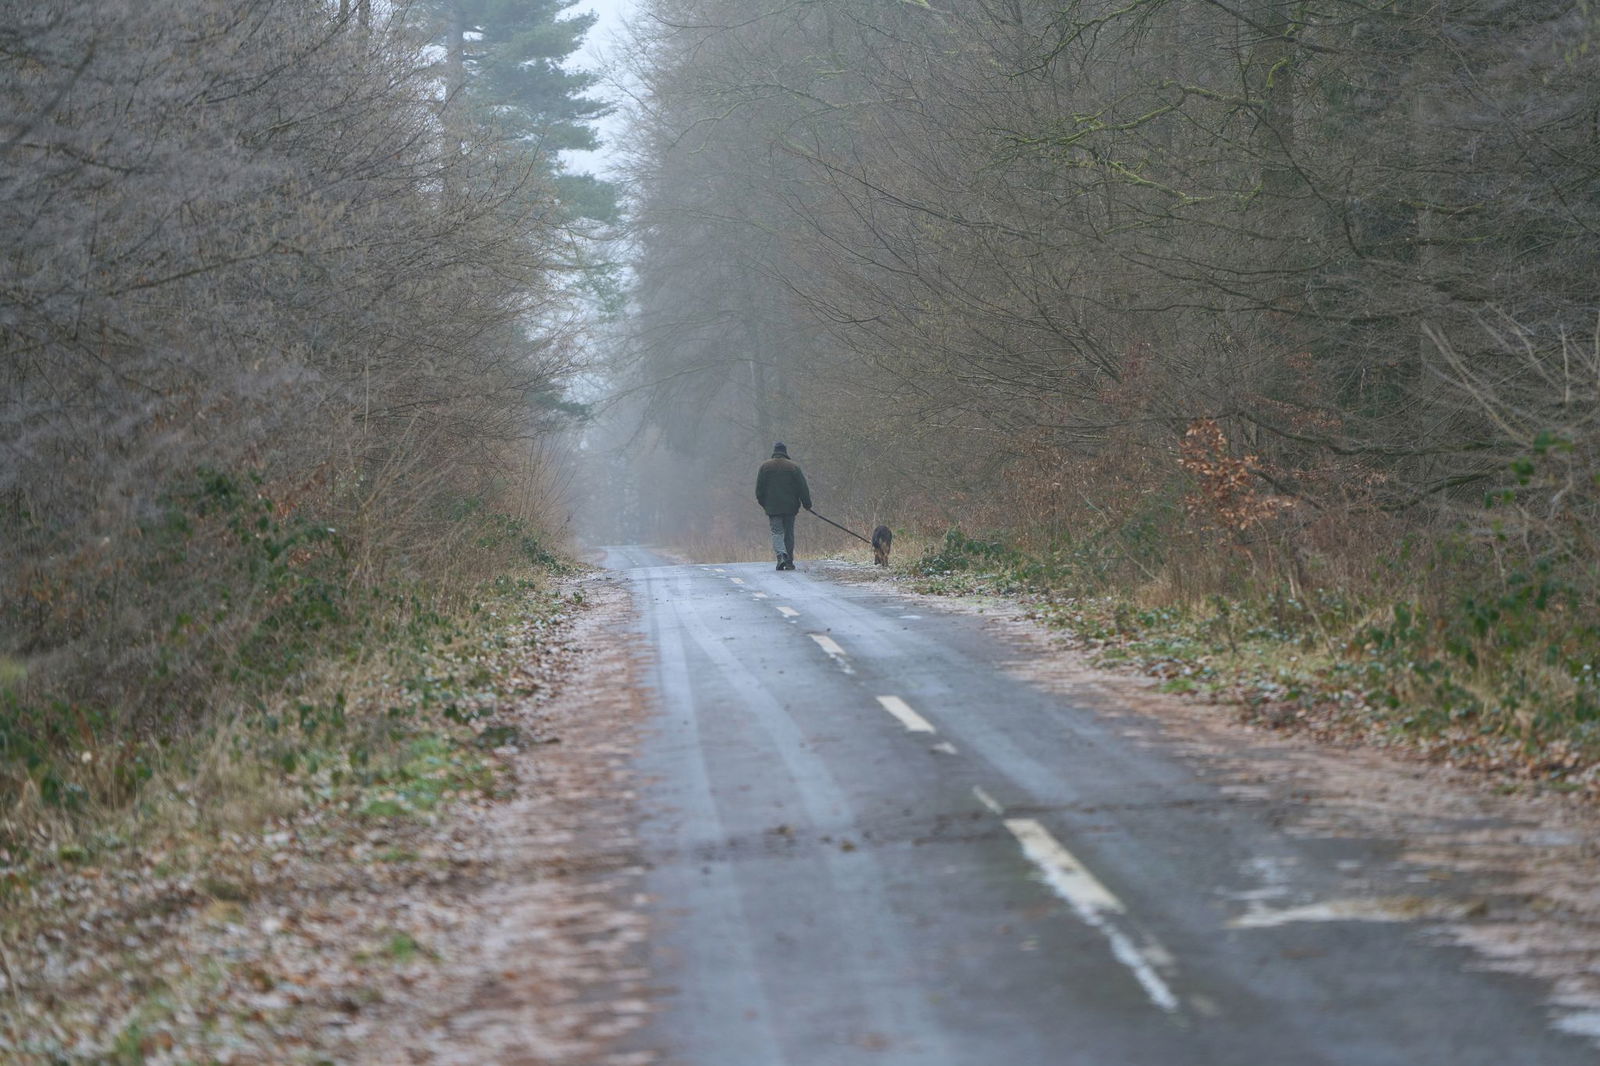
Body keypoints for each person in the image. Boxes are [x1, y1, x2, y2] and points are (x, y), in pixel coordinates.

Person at [755, 441, 811, 570]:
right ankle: (789, 562)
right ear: (785, 452)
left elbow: (759, 490)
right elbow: (802, 487)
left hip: (773, 507)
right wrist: (807, 504)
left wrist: (765, 504)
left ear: (774, 451)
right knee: (789, 533)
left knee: (776, 532)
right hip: (790, 506)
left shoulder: (765, 467)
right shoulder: (793, 467)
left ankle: (780, 555)